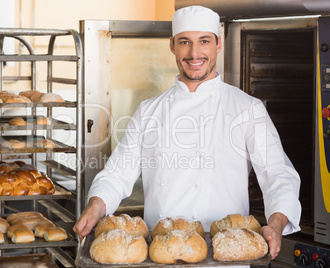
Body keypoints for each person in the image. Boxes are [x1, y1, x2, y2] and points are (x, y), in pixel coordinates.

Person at [73, 5, 301, 260]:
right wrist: (95, 207)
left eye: (204, 41)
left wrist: (278, 222)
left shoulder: (247, 109)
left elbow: (277, 174)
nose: (194, 53)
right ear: (172, 45)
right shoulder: (149, 111)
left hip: (226, 256)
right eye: (185, 42)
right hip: (161, 255)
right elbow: (118, 173)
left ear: (218, 44)